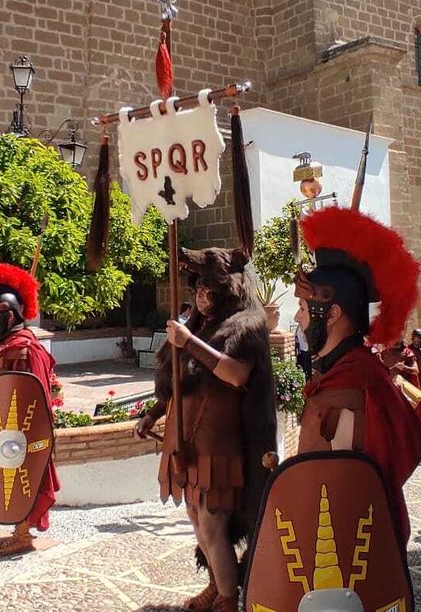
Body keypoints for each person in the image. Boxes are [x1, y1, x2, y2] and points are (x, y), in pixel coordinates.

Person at [136, 247, 277, 612]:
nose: (199, 296)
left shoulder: (247, 325)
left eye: (208, 290)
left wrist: (189, 343)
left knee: (213, 527)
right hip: (188, 442)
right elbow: (183, 386)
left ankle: (230, 601)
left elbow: (234, 373)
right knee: (199, 523)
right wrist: (153, 414)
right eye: (197, 289)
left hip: (220, 443)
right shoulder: (199, 326)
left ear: (227, 289)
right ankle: (216, 585)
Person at [291, 206, 421, 548]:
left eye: (305, 309)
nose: (297, 317)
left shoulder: (352, 386)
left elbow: (342, 485)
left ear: (333, 313)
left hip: (346, 544)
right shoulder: (347, 372)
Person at [0, 262, 60, 556]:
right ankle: (19, 530)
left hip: (19, 433)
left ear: (9, 315)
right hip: (8, 430)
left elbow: (29, 394)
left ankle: (22, 535)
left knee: (20, 478)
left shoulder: (22, 346)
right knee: (12, 476)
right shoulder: (13, 343)